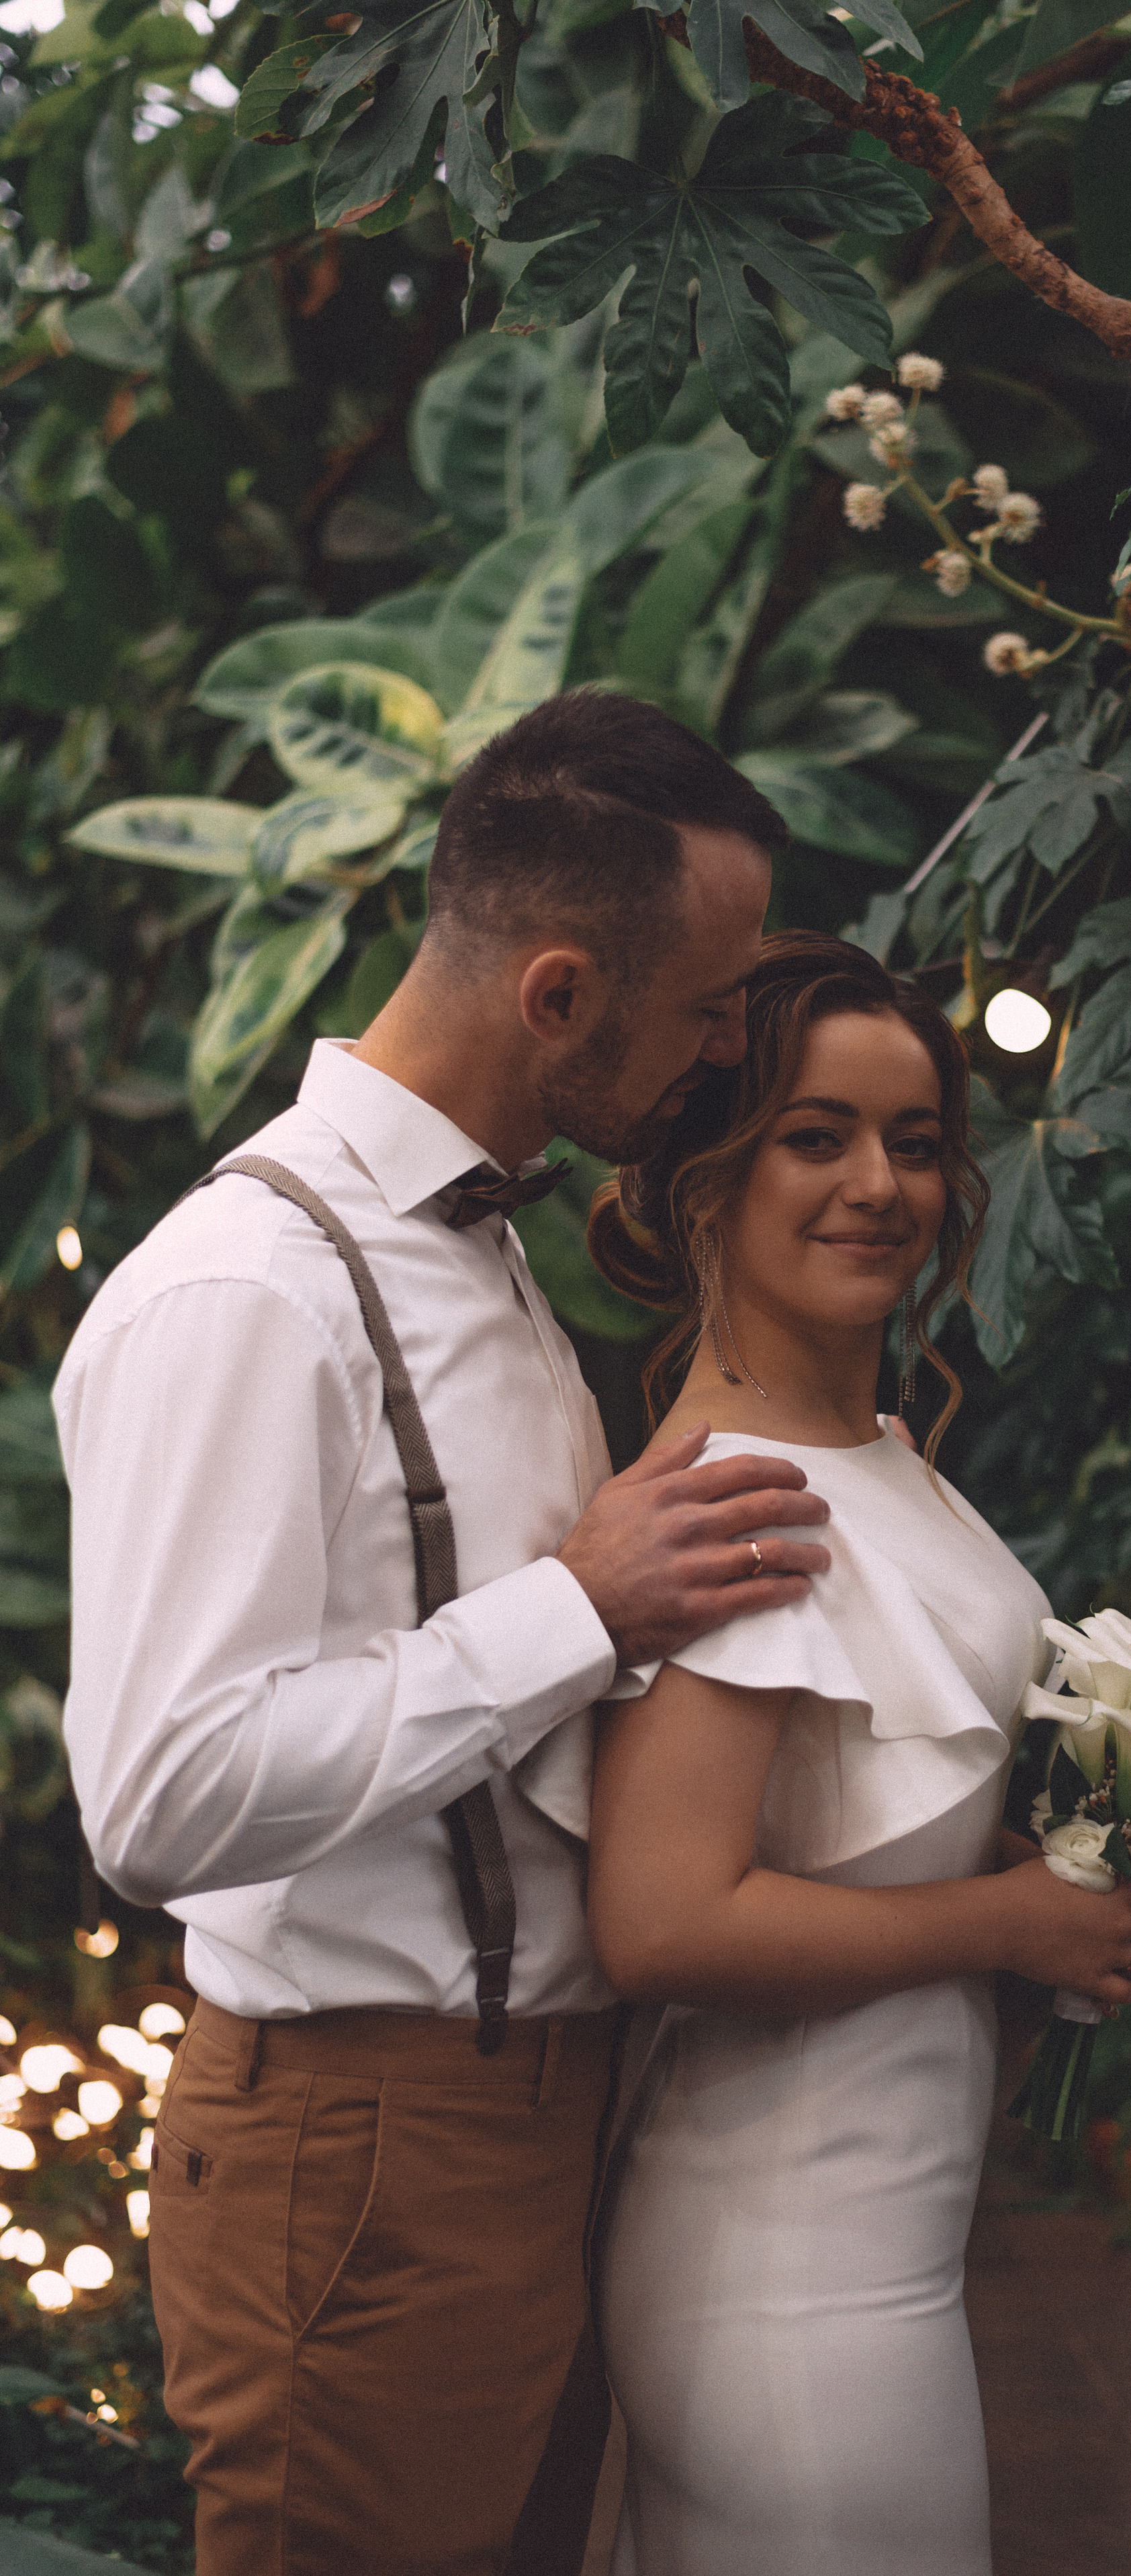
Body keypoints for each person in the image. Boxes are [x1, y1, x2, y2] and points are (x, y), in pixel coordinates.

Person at [53, 691, 842, 2576]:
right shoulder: (245, 1294)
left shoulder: (478, 1249)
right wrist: (574, 1608)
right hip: (366, 2144)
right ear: (557, 993)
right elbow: (159, 1800)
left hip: (534, 2124)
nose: (728, 1045)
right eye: (710, 1003)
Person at [568, 932, 1131, 2576]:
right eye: (813, 1136)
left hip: (875, 2230)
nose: (877, 1183)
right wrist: (1008, 1925)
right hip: (786, 2274)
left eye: (912, 1139)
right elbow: (661, 1920)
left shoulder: (871, 1447)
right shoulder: (737, 1494)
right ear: (705, 1179)